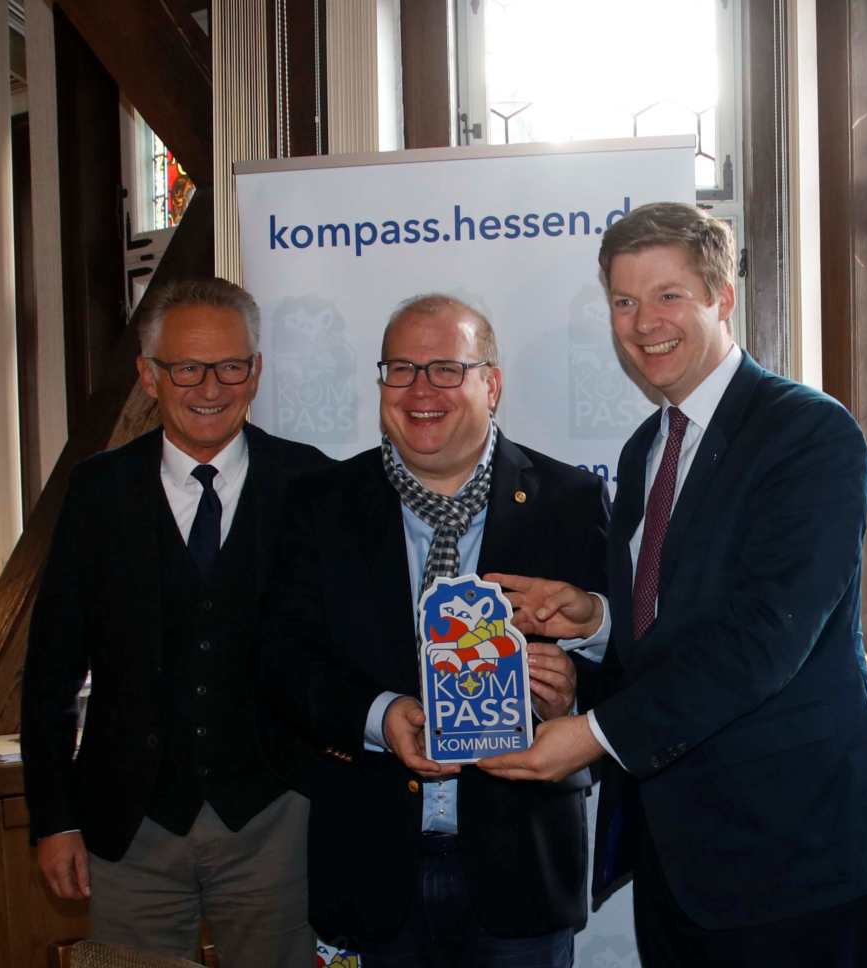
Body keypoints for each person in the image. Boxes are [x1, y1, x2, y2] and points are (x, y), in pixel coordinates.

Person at [479, 203, 867, 968]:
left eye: (669, 295)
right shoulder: (646, 447)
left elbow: (764, 638)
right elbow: (674, 622)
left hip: (794, 853)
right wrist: (597, 618)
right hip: (676, 854)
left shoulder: (808, 433)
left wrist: (594, 736)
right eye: (624, 300)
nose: (644, 322)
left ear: (722, 298)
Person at [257, 294, 610, 968]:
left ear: (491, 384)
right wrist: (380, 716)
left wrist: (572, 691)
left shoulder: (570, 502)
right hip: (370, 866)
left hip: (522, 872)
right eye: (401, 369)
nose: (421, 390)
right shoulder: (320, 504)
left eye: (447, 368)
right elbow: (281, 658)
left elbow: (626, 663)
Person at [21, 278, 331, 967]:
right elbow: (50, 673)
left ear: (256, 370)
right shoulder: (96, 492)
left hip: (277, 818)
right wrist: (54, 819)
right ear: (148, 376)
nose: (210, 388)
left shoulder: (313, 485)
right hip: (130, 824)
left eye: (230, 366)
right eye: (187, 367)